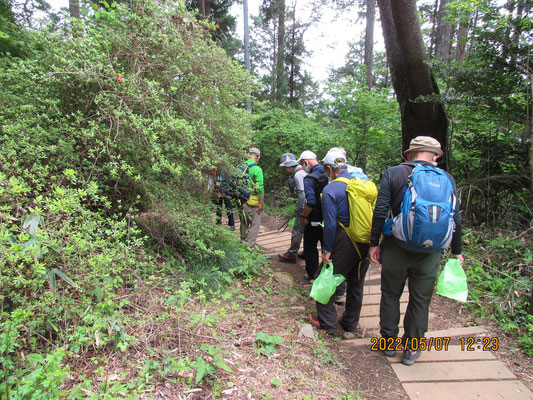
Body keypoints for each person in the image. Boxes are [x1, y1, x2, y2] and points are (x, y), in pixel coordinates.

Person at [369, 136, 464, 366]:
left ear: (408, 154)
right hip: (430, 253)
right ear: (436, 156)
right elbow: (456, 218)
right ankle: (412, 349)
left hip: (396, 247)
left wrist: (374, 242)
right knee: (421, 300)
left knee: (391, 294)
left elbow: (381, 210)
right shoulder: (447, 178)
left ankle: (389, 344)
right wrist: (457, 251)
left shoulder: (394, 173)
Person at [308, 152, 370, 337]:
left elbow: (331, 223)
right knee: (356, 282)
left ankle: (327, 323)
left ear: (329, 169)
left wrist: (326, 250)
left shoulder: (330, 190)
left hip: (344, 241)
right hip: (364, 242)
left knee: (322, 278)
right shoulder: (361, 186)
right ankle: (350, 323)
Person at [298, 151, 326, 282]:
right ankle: (327, 277)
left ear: (306, 162)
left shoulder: (310, 178)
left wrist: (304, 215)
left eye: (302, 164)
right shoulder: (328, 173)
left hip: (314, 219)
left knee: (310, 247)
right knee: (327, 248)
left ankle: (312, 275)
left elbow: (311, 202)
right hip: (329, 219)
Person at [278, 153, 307, 263]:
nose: (284, 169)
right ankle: (306, 252)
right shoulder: (303, 171)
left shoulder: (298, 175)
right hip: (311, 206)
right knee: (306, 231)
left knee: (297, 230)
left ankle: (291, 254)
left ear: (289, 166)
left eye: (285, 167)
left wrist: (298, 210)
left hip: (304, 207)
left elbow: (302, 195)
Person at [239, 148, 265, 247]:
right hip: (253, 201)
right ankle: (249, 247)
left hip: (241, 200)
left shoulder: (241, 166)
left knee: (244, 222)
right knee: (255, 224)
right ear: (257, 157)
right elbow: (260, 188)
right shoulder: (257, 169)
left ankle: (242, 243)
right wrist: (261, 203)